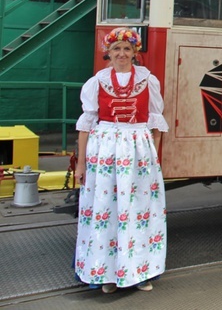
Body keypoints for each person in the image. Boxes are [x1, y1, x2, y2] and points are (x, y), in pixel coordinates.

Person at [74, 27, 168, 293]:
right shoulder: (97, 82)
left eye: (127, 49)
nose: (122, 54)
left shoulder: (148, 80)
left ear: (135, 52)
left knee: (137, 211)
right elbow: (85, 125)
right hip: (104, 151)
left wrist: (154, 161)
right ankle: (108, 274)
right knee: (107, 210)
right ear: (108, 52)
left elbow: (156, 122)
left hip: (138, 150)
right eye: (116, 49)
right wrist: (81, 164)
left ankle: (139, 272)